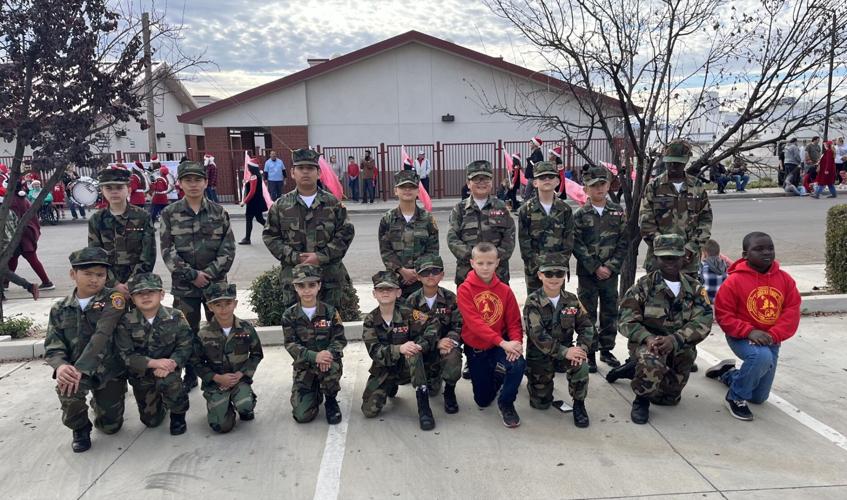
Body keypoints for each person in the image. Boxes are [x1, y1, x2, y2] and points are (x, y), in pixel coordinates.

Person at [618, 234, 713, 424]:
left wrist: (675, 339)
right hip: (648, 346)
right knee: (651, 362)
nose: (670, 262)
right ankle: (641, 399)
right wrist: (647, 338)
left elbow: (704, 320)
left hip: (679, 346)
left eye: (674, 257)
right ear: (656, 258)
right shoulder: (643, 286)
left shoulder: (694, 288)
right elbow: (625, 320)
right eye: (665, 257)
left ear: (684, 257)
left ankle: (633, 371)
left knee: (668, 399)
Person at [705, 232, 801, 421]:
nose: (766, 252)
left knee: (758, 397)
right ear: (745, 254)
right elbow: (724, 315)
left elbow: (791, 311)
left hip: (771, 339)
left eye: (770, 248)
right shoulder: (734, 281)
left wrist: (773, 335)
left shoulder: (785, 279)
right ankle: (735, 397)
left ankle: (728, 374)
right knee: (761, 356)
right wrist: (749, 331)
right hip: (741, 336)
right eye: (759, 249)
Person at [160, 161, 236, 391]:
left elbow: (228, 248)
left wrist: (209, 274)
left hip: (215, 288)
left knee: (219, 329)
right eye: (188, 180)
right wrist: (192, 275)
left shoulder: (218, 211)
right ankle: (191, 373)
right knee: (186, 333)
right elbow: (167, 250)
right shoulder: (170, 213)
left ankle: (218, 371)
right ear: (180, 183)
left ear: (205, 182)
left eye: (197, 180)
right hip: (185, 288)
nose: (193, 184)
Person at [44, 247, 128, 452]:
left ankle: (101, 404)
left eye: (100, 275)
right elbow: (53, 345)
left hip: (108, 369)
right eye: (87, 274)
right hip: (76, 370)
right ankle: (80, 428)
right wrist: (62, 367)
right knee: (67, 387)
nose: (94, 279)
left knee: (110, 427)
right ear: (73, 274)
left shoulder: (114, 299)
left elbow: (102, 335)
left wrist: (79, 369)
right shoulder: (60, 308)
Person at [263, 148, 355, 310]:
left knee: (329, 328)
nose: (305, 172)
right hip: (294, 280)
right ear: (292, 173)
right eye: (300, 168)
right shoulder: (280, 206)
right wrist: (295, 257)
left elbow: (345, 234)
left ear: (319, 173)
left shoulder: (332, 203)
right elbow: (271, 237)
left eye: (310, 168)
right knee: (297, 329)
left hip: (328, 279)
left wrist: (320, 256)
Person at [457, 242, 526, 428]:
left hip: (499, 345)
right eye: (480, 263)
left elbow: (514, 322)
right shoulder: (464, 290)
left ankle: (506, 402)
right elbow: (475, 324)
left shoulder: (505, 290)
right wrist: (504, 343)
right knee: (483, 400)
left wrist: (516, 343)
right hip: (477, 348)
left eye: (489, 263)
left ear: (497, 263)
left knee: (518, 363)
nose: (485, 267)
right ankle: (496, 374)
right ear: (472, 263)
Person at [360, 270, 439, 430]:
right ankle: (390, 385)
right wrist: (400, 348)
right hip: (384, 369)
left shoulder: (409, 313)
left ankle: (424, 407)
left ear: (398, 292)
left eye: (390, 289)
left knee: (413, 353)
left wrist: (420, 345)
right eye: (381, 289)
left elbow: (433, 323)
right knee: (369, 411)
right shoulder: (370, 320)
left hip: (408, 366)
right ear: (374, 294)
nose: (385, 292)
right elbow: (375, 352)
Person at [115, 273, 192, 435]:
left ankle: (178, 415)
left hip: (169, 370)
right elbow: (125, 355)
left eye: (151, 292)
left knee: (171, 382)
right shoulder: (125, 322)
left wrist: (172, 363)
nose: (145, 296)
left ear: (162, 294)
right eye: (139, 293)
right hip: (141, 375)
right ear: (132, 298)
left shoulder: (176, 316)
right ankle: (159, 404)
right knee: (151, 421)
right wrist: (154, 363)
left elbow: (186, 345)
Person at [523, 254, 593, 428]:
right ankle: (535, 382)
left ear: (565, 276)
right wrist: (565, 351)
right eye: (549, 274)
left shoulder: (572, 300)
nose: (554, 278)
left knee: (581, 363)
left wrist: (581, 349)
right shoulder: (533, 301)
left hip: (565, 353)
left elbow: (586, 326)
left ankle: (579, 404)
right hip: (540, 356)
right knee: (541, 404)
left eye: (559, 274)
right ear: (540, 275)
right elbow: (537, 335)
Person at [573, 166, 627, 372]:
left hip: (611, 273)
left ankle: (606, 349)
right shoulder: (579, 215)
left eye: (603, 184)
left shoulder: (617, 211)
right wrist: (595, 267)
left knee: (610, 310)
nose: (599, 189)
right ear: (586, 189)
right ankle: (590, 351)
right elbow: (576, 244)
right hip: (588, 273)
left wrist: (611, 267)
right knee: (587, 313)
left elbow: (624, 241)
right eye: (594, 185)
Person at [192, 282, 264, 433]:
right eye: (217, 304)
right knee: (221, 427)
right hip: (216, 383)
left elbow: (256, 354)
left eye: (228, 303)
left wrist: (241, 374)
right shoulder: (203, 334)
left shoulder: (246, 328)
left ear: (235, 304)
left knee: (245, 405)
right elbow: (196, 362)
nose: (223, 308)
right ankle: (221, 406)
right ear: (210, 307)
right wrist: (216, 378)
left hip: (239, 380)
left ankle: (244, 403)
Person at [281, 264, 347, 424]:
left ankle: (331, 399)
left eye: (311, 285)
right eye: (301, 285)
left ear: (319, 286)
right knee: (302, 416)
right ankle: (315, 391)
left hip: (327, 363)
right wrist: (314, 356)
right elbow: (291, 344)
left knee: (330, 370)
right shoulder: (289, 315)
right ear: (295, 287)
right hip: (305, 365)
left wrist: (327, 356)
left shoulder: (330, 312)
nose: (307, 290)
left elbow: (339, 339)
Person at [640, 139, 713, 277]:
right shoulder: (654, 187)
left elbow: (705, 221)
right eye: (670, 161)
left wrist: (690, 248)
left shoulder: (697, 186)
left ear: (686, 161)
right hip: (659, 260)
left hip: (688, 262)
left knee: (688, 297)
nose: (673, 165)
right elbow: (645, 222)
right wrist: (666, 250)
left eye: (678, 162)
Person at [406, 255, 463, 414]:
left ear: (442, 274)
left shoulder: (451, 298)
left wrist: (450, 340)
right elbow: (408, 332)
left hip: (444, 347)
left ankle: (450, 391)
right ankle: (427, 385)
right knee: (430, 389)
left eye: (435, 271)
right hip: (423, 348)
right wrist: (433, 343)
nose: (430, 276)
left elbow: (458, 325)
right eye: (425, 272)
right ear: (418, 276)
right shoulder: (411, 301)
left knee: (453, 356)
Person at [88, 168, 156, 294]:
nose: (114, 192)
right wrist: (114, 283)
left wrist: (132, 282)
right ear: (102, 191)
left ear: (129, 190)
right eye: (108, 188)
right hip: (108, 285)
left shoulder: (142, 217)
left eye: (119, 188)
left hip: (139, 284)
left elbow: (148, 255)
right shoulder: (97, 219)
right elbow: (95, 255)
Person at [447, 160, 515, 286]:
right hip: (467, 274)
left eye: (486, 179)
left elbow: (509, 239)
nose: (481, 183)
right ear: (468, 183)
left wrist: (491, 261)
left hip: (498, 274)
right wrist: (475, 259)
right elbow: (452, 239)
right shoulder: (460, 209)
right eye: (477, 179)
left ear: (491, 182)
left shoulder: (501, 207)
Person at [377, 170, 439, 298]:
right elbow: (385, 251)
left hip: (421, 279)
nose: (407, 190)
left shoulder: (427, 219)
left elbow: (433, 249)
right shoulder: (387, 219)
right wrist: (401, 270)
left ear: (418, 191)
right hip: (395, 280)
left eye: (412, 187)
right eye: (403, 187)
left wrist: (418, 271)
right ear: (395, 191)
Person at [518, 161, 573, 296]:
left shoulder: (565, 209)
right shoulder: (526, 210)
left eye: (550, 176)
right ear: (535, 183)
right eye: (542, 177)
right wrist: (538, 265)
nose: (547, 179)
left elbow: (569, 240)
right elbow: (524, 243)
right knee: (535, 306)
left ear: (557, 181)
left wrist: (557, 265)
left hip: (557, 271)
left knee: (558, 306)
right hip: (535, 270)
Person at [9, 181, 54, 290]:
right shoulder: (21, 198)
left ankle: (47, 282)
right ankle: (5, 282)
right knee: (12, 258)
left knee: (31, 258)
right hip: (25, 233)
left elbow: (13, 220)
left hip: (22, 235)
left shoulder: (13, 201)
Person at [0, 186, 39, 300]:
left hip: (2, 246)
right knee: (3, 270)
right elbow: (17, 226)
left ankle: (29, 286)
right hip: (11, 245)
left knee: (4, 271)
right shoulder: (10, 212)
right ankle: (2, 294)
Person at [239, 157, 268, 244]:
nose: (247, 168)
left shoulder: (254, 176)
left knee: (249, 219)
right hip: (257, 201)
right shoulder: (257, 175)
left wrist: (244, 201)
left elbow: (252, 191)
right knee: (259, 219)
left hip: (253, 202)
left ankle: (247, 238)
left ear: (251, 167)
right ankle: (275, 230)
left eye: (248, 166)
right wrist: (246, 182)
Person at [524, 136, 544, 200]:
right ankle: (526, 207)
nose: (530, 144)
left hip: (535, 177)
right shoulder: (535, 153)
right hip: (531, 177)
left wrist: (529, 159)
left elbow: (537, 162)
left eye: (531, 143)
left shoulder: (538, 153)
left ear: (535, 144)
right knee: (527, 194)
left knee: (537, 194)